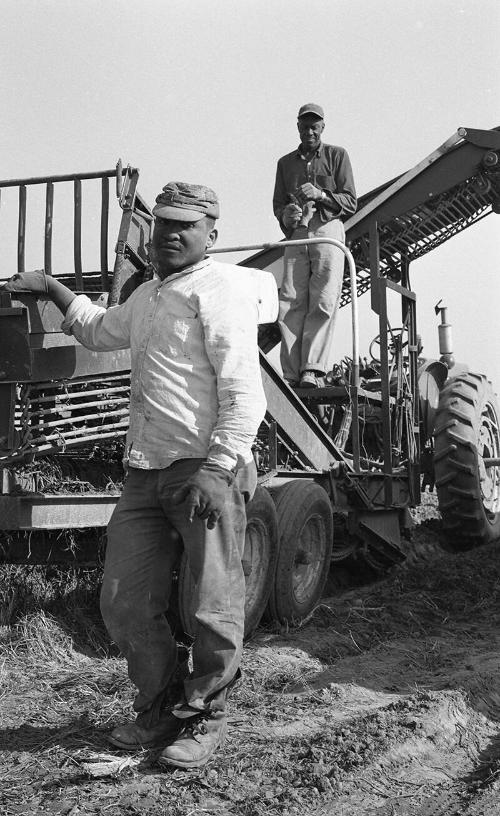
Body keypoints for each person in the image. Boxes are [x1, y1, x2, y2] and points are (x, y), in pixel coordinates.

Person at [3, 182, 278, 768]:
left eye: (184, 225)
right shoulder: (151, 294)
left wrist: (219, 467)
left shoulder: (222, 288)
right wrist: (51, 288)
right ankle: (157, 708)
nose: (170, 234)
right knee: (124, 600)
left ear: (212, 234)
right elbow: (101, 330)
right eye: (162, 225)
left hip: (203, 470)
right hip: (144, 471)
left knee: (211, 602)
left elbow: (244, 391)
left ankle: (207, 717)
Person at [273, 103, 357, 388]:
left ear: (322, 128)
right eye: (305, 126)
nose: (309, 130)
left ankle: (311, 369)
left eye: (315, 126)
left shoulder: (337, 155)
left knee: (322, 299)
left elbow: (351, 201)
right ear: (297, 127)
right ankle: (290, 374)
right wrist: (286, 215)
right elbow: (278, 204)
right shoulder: (285, 164)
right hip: (297, 233)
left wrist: (321, 194)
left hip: (326, 230)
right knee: (291, 301)